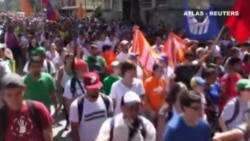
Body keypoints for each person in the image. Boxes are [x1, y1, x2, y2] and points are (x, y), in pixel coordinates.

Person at [0, 73, 53, 141]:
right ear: (2, 95)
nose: (14, 99)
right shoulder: (2, 114)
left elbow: (48, 136)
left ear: (24, 90)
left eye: (18, 93)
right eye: (9, 95)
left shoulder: (38, 109)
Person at [70, 72, 113, 141]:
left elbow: (110, 124)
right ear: (85, 87)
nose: (96, 90)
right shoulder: (76, 106)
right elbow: (74, 131)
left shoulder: (107, 101)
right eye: (92, 88)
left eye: (97, 87)